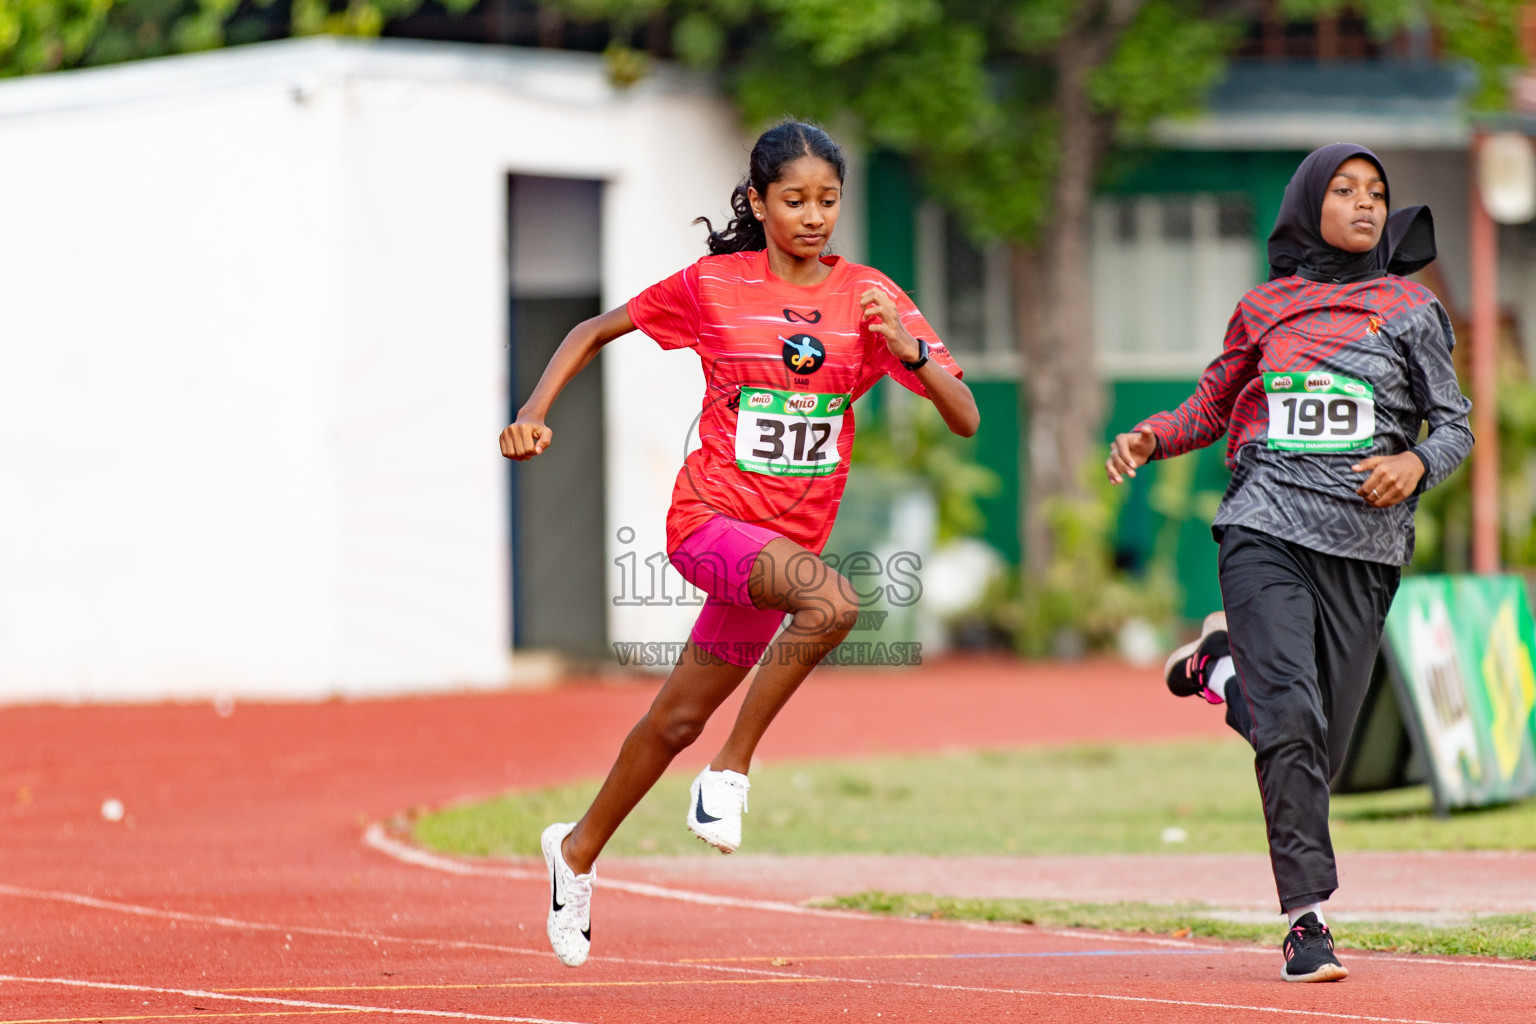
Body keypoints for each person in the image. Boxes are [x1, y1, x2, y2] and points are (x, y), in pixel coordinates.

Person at [500, 121, 978, 967]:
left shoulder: (872, 296)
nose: (813, 216)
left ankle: (573, 852)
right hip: (712, 524)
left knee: (675, 717)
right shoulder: (714, 285)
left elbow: (964, 415)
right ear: (758, 203)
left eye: (828, 200)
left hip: (782, 551)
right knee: (834, 601)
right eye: (794, 200)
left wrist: (907, 349)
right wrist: (534, 413)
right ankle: (729, 775)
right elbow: (590, 330)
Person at [1106, 143, 1471, 983]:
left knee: (1314, 751)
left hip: (1364, 551)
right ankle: (1308, 926)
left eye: (1376, 192)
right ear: (1308, 205)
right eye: (1343, 190)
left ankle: (1221, 671)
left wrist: (1414, 464)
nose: (1364, 204)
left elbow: (1453, 424)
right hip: (1263, 528)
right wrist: (1151, 435)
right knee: (1294, 728)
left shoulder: (1412, 308)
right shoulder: (1264, 307)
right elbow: (1211, 402)